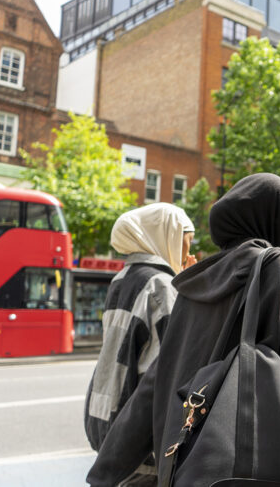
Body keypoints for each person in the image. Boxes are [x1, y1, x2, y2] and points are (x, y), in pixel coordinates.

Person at [86, 173, 280, 485]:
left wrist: (104, 473)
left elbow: (154, 384)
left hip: (182, 467)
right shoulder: (276, 268)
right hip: (246, 471)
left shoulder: (195, 281)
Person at [84, 203, 195, 486]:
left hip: (109, 423)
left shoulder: (121, 279)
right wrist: (191, 289)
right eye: (187, 240)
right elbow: (176, 362)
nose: (190, 251)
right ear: (166, 234)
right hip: (143, 443)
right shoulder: (161, 285)